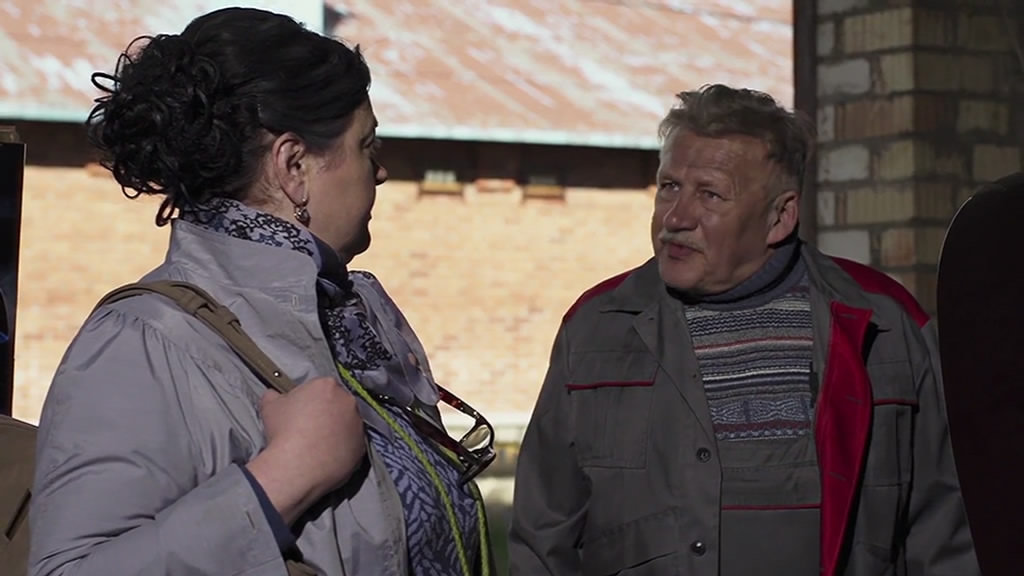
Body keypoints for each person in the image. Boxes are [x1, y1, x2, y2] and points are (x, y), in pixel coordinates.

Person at [29, 8, 495, 576]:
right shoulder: (144, 342)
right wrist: (280, 479)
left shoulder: (352, 320)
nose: (380, 172)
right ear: (294, 165)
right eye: (367, 145)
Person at [508, 84, 980, 576]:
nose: (676, 217)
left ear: (780, 216)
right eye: (669, 186)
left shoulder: (884, 325)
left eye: (709, 194)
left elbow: (948, 532)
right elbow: (543, 540)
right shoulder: (597, 327)